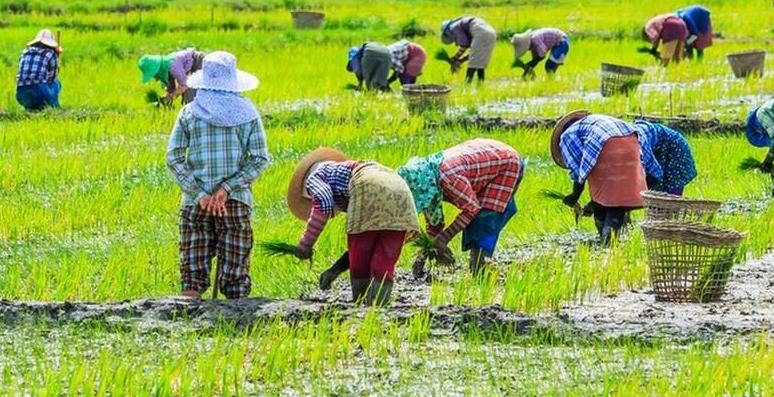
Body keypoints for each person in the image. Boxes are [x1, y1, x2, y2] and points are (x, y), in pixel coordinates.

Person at [166, 51, 270, 299]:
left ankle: (188, 329)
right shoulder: (248, 114)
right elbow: (259, 159)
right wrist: (226, 189)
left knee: (192, 275)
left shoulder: (189, 112)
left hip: (195, 204)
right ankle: (237, 332)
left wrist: (201, 194)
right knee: (236, 279)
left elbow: (174, 157)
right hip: (235, 203)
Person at [287, 147, 420, 305]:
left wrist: (305, 244)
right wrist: (334, 271)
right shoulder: (342, 170)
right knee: (385, 258)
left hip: (367, 185)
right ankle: (379, 309)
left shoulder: (315, 177)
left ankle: (361, 306)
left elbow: (324, 202)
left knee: (361, 256)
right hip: (400, 189)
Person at [398, 138, 524, 274]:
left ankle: (481, 267)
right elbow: (435, 225)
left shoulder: (450, 179)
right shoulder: (427, 180)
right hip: (483, 162)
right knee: (478, 219)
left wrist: (444, 238)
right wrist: (424, 252)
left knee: (486, 218)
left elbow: (472, 209)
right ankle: (479, 266)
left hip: (507, 163)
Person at [552, 111, 645, 244]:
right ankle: (610, 240)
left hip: (607, 146)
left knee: (606, 197)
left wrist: (574, 195)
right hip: (631, 142)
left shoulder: (568, 135)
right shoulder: (594, 122)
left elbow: (579, 169)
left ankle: (607, 242)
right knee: (619, 197)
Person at [635, 119, 698, 195]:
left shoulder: (639, 144)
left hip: (675, 147)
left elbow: (656, 175)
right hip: (657, 148)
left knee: (670, 197)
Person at [441, 15, 498, 84]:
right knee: (480, 63)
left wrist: (454, 58)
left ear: (447, 31)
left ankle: (467, 86)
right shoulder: (465, 29)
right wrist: (460, 60)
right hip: (492, 33)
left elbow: (464, 45)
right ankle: (480, 86)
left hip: (481, 33)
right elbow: (473, 53)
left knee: (472, 64)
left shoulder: (454, 27)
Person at [15, 29, 62, 111]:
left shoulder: (25, 52)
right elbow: (51, 79)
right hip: (40, 92)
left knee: (32, 93)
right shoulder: (50, 54)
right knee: (56, 84)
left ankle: (31, 109)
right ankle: (55, 109)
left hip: (20, 94)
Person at [138, 49, 205, 105]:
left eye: (154, 74)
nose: (155, 78)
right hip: (190, 66)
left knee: (189, 96)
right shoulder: (165, 67)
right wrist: (166, 97)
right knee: (184, 95)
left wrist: (170, 96)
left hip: (199, 62)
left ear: (158, 69)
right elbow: (171, 88)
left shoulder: (173, 66)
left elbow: (184, 85)